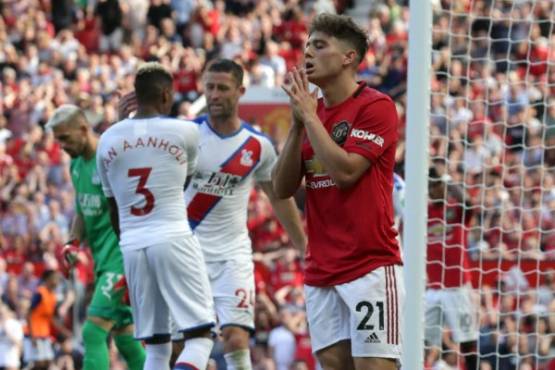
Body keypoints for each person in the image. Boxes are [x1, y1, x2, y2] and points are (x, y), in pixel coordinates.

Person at [272, 13, 404, 370]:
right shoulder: (310, 115)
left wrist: (310, 119)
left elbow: (346, 172)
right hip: (321, 268)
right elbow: (282, 187)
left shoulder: (375, 106)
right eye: (306, 46)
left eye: (319, 45)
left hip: (369, 264)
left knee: (373, 366)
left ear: (348, 57)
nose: (307, 54)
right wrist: (298, 126)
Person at [183, 59, 306, 370]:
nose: (214, 95)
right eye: (209, 87)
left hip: (232, 255)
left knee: (236, 337)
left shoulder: (258, 146)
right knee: (186, 343)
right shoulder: (186, 137)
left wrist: (304, 245)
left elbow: (278, 197)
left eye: (222, 88)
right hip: (189, 254)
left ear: (240, 92)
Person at [96, 62, 215, 370]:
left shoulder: (107, 139)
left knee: (157, 349)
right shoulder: (186, 131)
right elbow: (182, 182)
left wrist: (129, 243)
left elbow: (113, 207)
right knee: (200, 337)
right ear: (166, 94)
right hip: (172, 235)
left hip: (133, 245)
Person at [45, 104, 146, 370]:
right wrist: (73, 240)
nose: (61, 146)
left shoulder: (112, 157)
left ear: (83, 129)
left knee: (93, 331)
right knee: (125, 338)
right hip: (103, 261)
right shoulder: (77, 164)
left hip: (123, 258)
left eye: (65, 138)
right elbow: (82, 206)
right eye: (57, 140)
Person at [426, 167, 478, 370]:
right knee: (421, 336)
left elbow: (468, 203)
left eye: (436, 185)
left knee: (466, 338)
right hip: (432, 288)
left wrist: (448, 181)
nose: (433, 190)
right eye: (430, 186)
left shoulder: (455, 210)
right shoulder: (424, 213)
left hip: (457, 286)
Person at [24, 270, 72, 370]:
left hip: (44, 333)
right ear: (47, 279)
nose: (57, 281)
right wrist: (32, 336)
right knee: (39, 363)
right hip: (33, 333)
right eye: (55, 279)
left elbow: (52, 318)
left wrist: (64, 331)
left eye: (58, 279)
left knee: (47, 362)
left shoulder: (52, 296)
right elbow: (29, 314)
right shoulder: (40, 293)